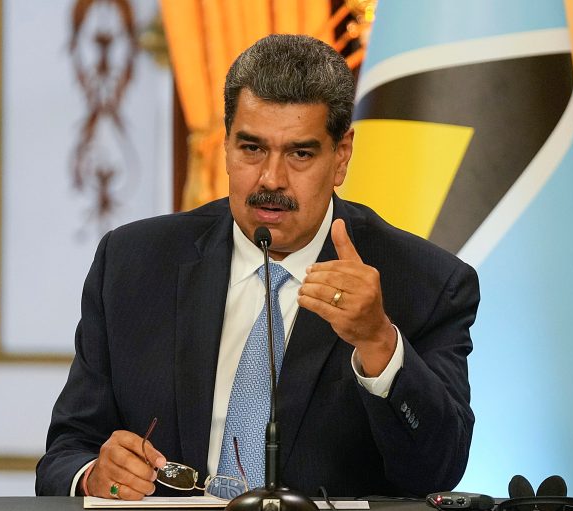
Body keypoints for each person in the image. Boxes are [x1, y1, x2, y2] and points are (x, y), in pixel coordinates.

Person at [36, 34, 479, 500]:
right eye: (251, 149)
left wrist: (378, 342)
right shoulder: (133, 264)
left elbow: (438, 470)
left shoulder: (427, 283)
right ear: (226, 145)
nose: (271, 179)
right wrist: (93, 473)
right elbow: (65, 452)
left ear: (341, 155)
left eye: (300, 153)